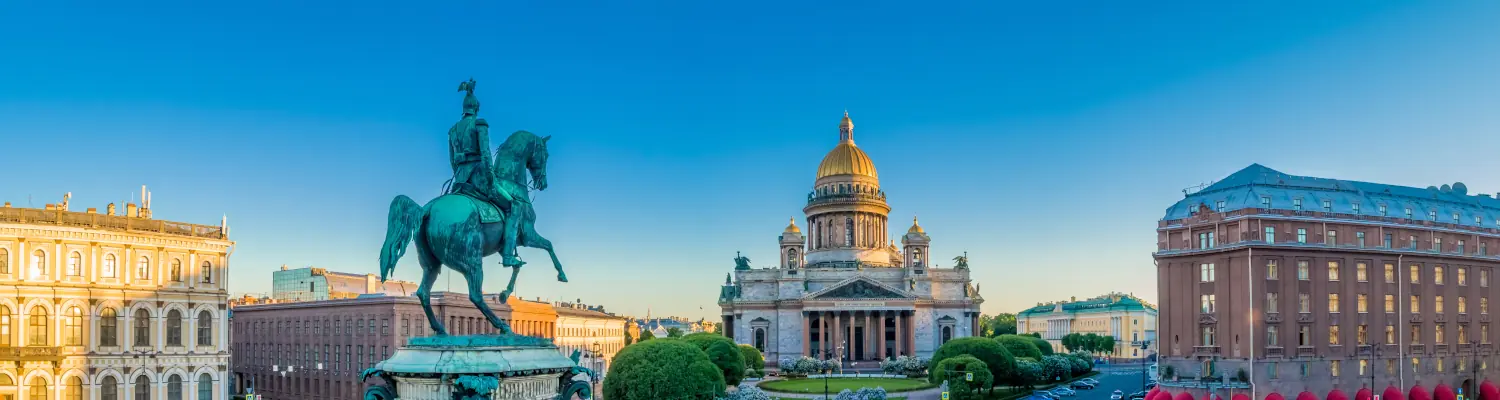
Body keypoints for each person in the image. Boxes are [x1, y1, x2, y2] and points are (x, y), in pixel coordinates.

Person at [447, 79, 528, 267]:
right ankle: (508, 255)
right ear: (476, 108)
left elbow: (452, 160)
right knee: (514, 206)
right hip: (479, 177)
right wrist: (490, 176)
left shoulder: (452, 131)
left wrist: (460, 174)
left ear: (464, 108)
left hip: (459, 181)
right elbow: (485, 153)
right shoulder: (480, 124)